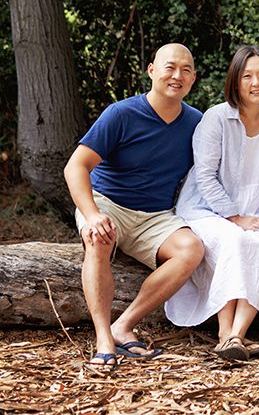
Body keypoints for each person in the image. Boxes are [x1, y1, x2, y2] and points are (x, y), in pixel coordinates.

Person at [65, 44, 205, 372]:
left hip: (155, 215)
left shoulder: (197, 122)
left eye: (186, 70)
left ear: (194, 78)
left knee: (192, 249)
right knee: (99, 239)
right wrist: (92, 214)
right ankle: (102, 338)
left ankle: (122, 326)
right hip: (106, 202)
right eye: (170, 67)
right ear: (152, 70)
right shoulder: (122, 113)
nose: (177, 75)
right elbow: (76, 167)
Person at [166, 45, 259, 361]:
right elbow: (206, 177)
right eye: (247, 75)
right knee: (234, 239)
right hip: (208, 208)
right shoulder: (216, 118)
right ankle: (226, 334)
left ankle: (236, 334)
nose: (256, 82)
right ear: (235, 81)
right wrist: (234, 216)